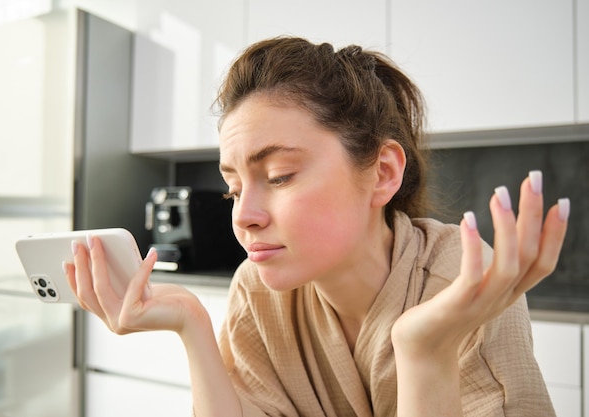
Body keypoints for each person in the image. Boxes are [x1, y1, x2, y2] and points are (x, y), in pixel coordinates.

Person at [65, 36, 570, 416]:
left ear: (383, 173)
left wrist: (424, 352)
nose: (243, 216)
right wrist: (190, 325)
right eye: (234, 189)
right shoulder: (259, 292)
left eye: (280, 176)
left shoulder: (462, 281)